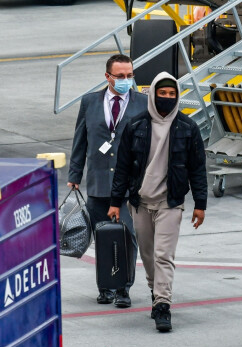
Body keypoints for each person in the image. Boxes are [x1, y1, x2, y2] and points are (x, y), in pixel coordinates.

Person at [107, 72, 207, 332]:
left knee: (164, 256)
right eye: (162, 94)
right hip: (140, 202)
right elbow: (123, 167)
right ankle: (155, 290)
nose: (167, 98)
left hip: (170, 202)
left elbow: (198, 168)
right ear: (153, 94)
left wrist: (200, 203)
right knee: (148, 255)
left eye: (171, 94)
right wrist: (115, 201)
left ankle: (163, 305)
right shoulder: (136, 126)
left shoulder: (187, 128)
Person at [68, 54, 147, 307]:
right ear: (108, 77)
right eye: (120, 76)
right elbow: (80, 139)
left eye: (130, 76)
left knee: (127, 236)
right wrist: (74, 174)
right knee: (102, 237)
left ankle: (124, 288)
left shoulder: (143, 103)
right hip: (98, 182)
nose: (126, 80)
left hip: (128, 185)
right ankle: (105, 287)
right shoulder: (90, 102)